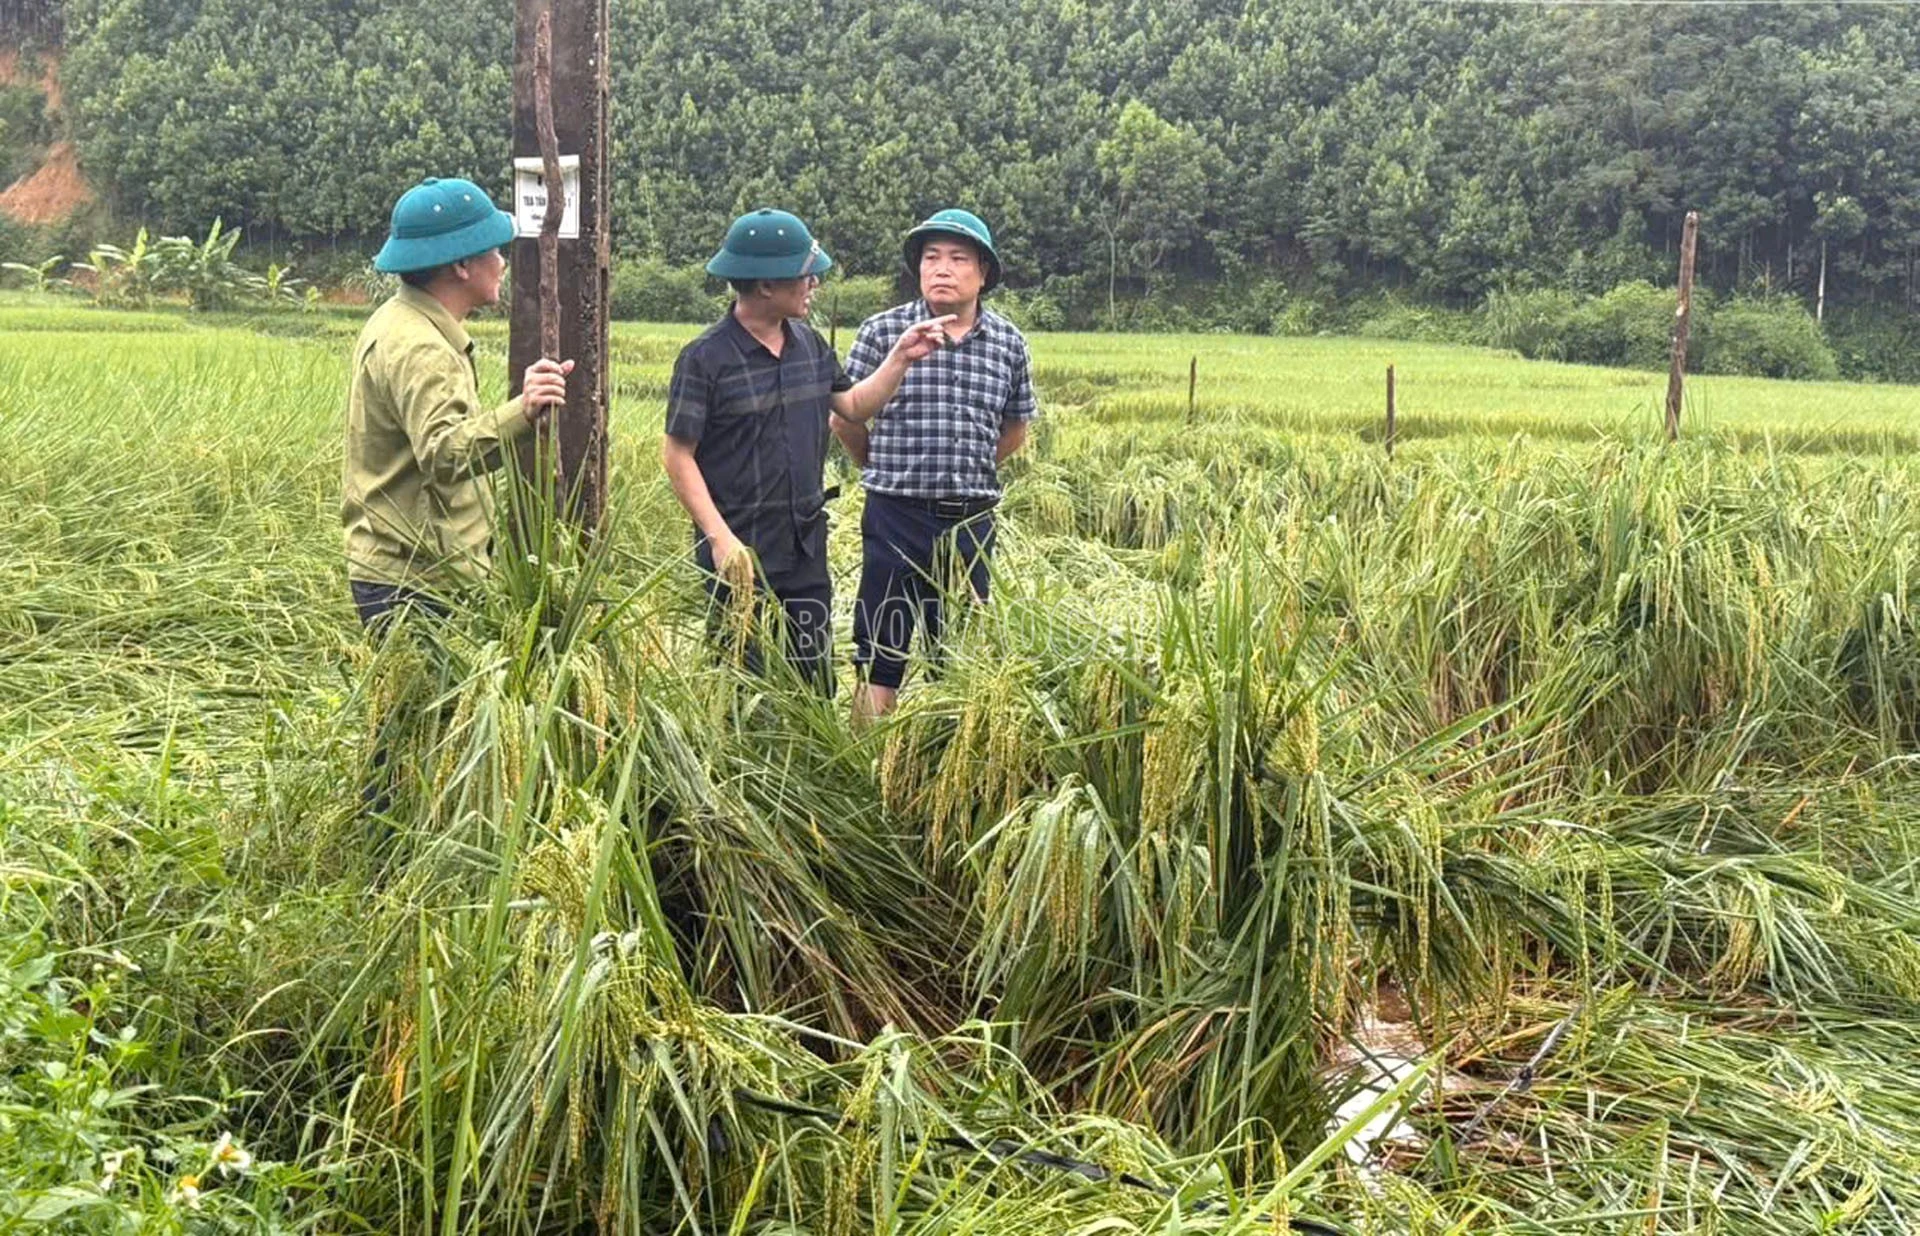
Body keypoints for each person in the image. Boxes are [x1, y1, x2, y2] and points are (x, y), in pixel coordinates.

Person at [662, 208, 950, 693]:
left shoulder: (809, 346)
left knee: (814, 683)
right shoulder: (705, 359)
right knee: (743, 686)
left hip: (804, 546)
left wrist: (901, 357)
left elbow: (854, 405)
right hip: (740, 552)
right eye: (806, 275)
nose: (814, 284)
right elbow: (677, 455)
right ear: (766, 286)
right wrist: (719, 539)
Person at [341, 175, 573, 629]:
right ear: (462, 265)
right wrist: (522, 411)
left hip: (405, 570)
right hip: (418, 582)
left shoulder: (398, 321)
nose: (502, 263)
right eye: (493, 250)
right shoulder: (422, 349)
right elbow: (444, 453)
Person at [834, 209, 1038, 722]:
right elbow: (846, 417)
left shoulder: (1007, 343)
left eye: (958, 258)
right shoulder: (883, 332)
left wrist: (967, 470)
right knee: (880, 651)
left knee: (961, 654)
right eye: (931, 258)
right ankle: (864, 767)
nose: (942, 269)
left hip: (970, 521)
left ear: (983, 273)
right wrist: (880, 468)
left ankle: (950, 761)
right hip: (894, 516)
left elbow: (1015, 428)